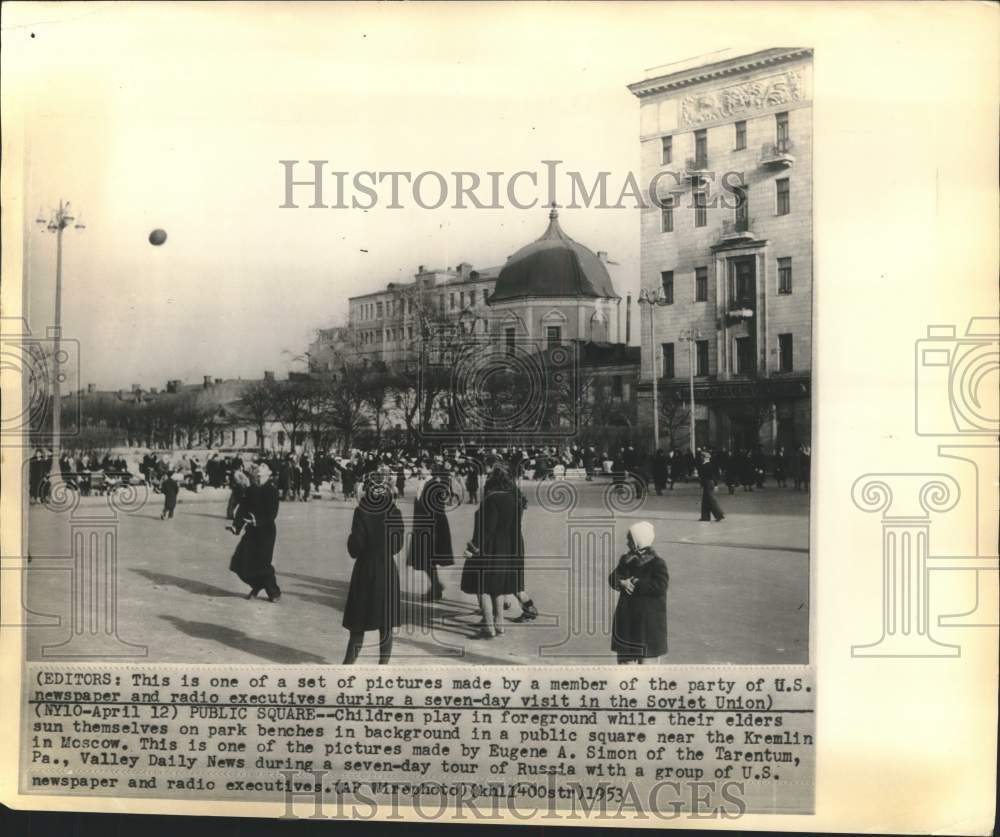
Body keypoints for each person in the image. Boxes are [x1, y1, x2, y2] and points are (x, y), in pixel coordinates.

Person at [461, 465, 536, 637]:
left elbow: (487, 529)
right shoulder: (515, 499)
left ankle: (488, 626)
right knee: (499, 588)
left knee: (483, 587)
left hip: (490, 548)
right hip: (510, 547)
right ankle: (499, 624)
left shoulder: (491, 500)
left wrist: (472, 548)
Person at [343, 473, 403, 664]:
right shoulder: (394, 511)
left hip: (365, 570)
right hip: (386, 570)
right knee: (385, 625)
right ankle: (382, 668)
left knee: (358, 624)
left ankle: (347, 666)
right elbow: (397, 545)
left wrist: (352, 543)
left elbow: (356, 545)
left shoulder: (361, 511)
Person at [609, 521, 668, 664]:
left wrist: (637, 583)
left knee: (647, 666)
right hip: (628, 620)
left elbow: (660, 585)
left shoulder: (657, 563)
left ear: (638, 542)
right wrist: (621, 582)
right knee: (624, 664)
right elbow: (613, 577)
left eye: (629, 538)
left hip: (647, 623)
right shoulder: (626, 560)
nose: (627, 541)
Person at [228, 463, 281, 601]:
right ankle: (257, 586)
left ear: (268, 473)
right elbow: (243, 509)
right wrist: (236, 526)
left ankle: (273, 592)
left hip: (266, 532)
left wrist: (257, 520)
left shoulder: (272, 490)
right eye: (259, 467)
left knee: (262, 564)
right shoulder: (251, 490)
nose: (259, 469)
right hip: (251, 533)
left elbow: (272, 514)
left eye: (263, 467)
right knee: (239, 563)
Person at [407, 466, 454, 601]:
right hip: (422, 526)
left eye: (422, 467)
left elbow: (438, 507)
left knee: (427, 558)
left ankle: (436, 587)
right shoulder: (423, 483)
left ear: (429, 470)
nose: (419, 469)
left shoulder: (435, 484)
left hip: (433, 527)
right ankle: (436, 586)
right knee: (424, 559)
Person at [697, 451, 725, 522]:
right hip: (707, 483)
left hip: (709, 483)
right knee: (705, 500)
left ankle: (719, 515)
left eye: (702, 456)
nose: (701, 458)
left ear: (705, 458)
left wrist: (716, 485)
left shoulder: (708, 465)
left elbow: (712, 475)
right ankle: (705, 517)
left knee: (710, 500)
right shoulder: (705, 464)